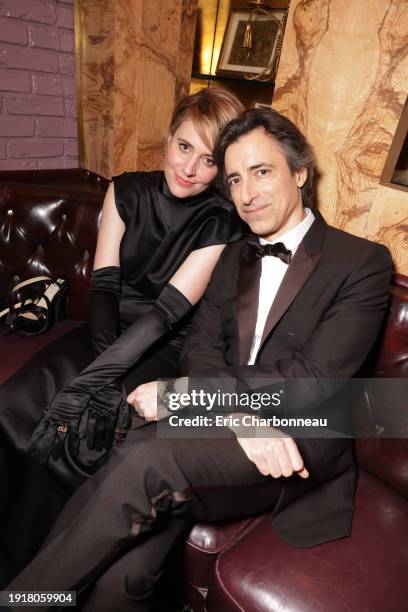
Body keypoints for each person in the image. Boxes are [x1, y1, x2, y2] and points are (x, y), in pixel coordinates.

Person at [7, 108, 392, 611]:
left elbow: (312, 382)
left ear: (299, 173)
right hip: (226, 426)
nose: (247, 194)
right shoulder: (233, 255)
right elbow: (200, 348)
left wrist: (186, 396)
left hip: (297, 439)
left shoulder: (361, 261)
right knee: (125, 574)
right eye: (235, 179)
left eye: (262, 171)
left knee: (146, 456)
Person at [0, 87, 246, 587]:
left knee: (82, 442)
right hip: (104, 332)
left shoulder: (221, 222)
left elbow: (165, 316)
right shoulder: (125, 189)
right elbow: (106, 287)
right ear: (167, 140)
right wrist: (93, 374)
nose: (190, 168)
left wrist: (99, 387)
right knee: (12, 409)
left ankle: (40, 584)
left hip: (162, 346)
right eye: (184, 147)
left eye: (209, 160)